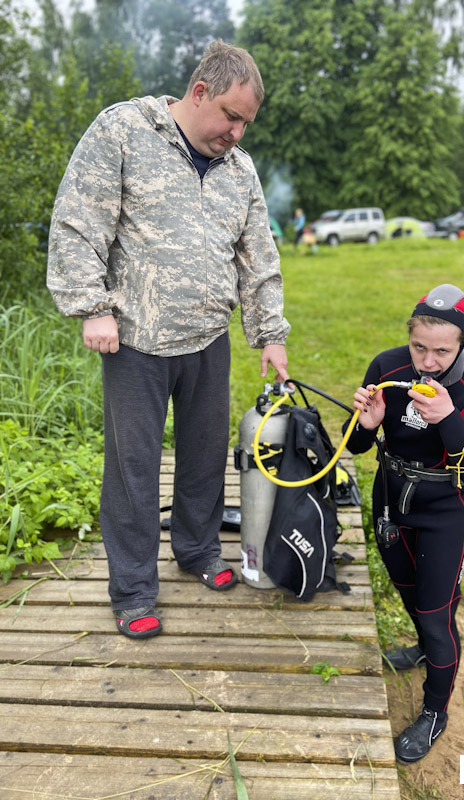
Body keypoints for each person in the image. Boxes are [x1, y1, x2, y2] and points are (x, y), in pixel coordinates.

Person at [47, 40, 290, 639]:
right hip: (135, 340)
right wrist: (91, 307)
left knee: (206, 457)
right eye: (230, 116)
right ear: (200, 91)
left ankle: (199, 551)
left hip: (208, 338)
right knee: (134, 470)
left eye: (246, 123)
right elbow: (78, 222)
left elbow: (258, 258)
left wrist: (269, 333)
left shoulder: (240, 171)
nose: (236, 132)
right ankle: (132, 591)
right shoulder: (125, 130)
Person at [345, 284, 464, 762]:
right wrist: (368, 424)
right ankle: (421, 648)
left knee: (438, 616)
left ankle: (435, 710)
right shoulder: (387, 367)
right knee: (409, 593)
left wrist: (450, 419)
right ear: (409, 337)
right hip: (392, 499)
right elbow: (353, 448)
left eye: (442, 351)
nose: (428, 362)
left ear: (461, 344)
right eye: (419, 347)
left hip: (445, 511)